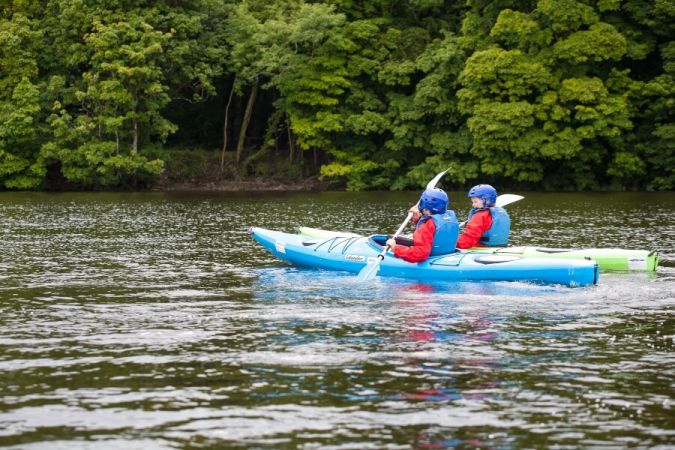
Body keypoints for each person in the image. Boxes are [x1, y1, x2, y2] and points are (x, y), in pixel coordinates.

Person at [385, 188, 459, 263]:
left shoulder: (428, 225)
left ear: (424, 205)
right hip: (447, 254)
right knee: (394, 239)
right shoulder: (449, 218)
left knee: (393, 242)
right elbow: (433, 232)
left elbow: (421, 254)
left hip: (431, 258)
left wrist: (395, 248)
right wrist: (418, 218)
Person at [456, 184, 510, 249]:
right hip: (502, 247)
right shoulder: (502, 212)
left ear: (487, 200)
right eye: (472, 202)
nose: (473, 205)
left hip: (482, 249)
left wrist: (454, 245)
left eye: (475, 201)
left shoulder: (480, 216)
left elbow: (468, 239)